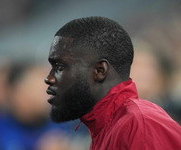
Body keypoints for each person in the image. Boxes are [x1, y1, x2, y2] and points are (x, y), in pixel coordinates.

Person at [44, 16, 181, 150]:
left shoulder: (139, 123)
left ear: (100, 70)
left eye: (61, 67)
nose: (49, 78)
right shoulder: (104, 127)